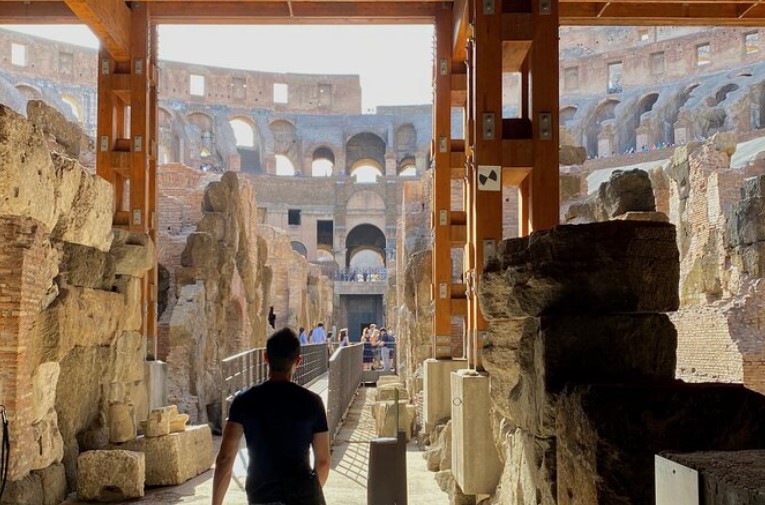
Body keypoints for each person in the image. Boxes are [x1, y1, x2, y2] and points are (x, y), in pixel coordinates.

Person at [212, 328, 330, 505]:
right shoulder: (313, 402)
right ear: (298, 361)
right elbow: (323, 461)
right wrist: (307, 493)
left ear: (266, 358)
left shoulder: (244, 401)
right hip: (304, 496)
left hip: (262, 496)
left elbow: (225, 458)